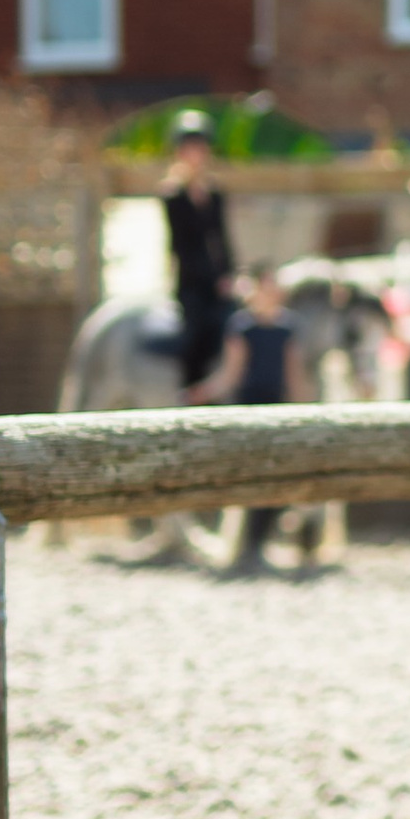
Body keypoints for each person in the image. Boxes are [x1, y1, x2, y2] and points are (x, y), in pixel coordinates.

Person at [192, 265, 307, 572]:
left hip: (278, 408)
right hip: (250, 408)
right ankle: (246, 547)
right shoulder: (242, 327)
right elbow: (231, 373)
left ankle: (261, 542)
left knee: (277, 479)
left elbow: (294, 374)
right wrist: (202, 393)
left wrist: (304, 409)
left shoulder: (288, 327)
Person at [160, 111, 237, 393]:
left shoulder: (215, 193)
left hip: (216, 279)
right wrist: (208, 276)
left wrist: (229, 273)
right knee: (196, 326)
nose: (196, 154)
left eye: (200, 148)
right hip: (190, 280)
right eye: (189, 148)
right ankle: (189, 390)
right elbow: (181, 245)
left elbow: (222, 238)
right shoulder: (173, 196)